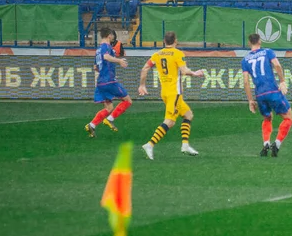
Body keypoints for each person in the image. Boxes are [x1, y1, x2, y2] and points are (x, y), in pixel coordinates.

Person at [138, 31, 205, 160]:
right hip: (174, 93)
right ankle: (150, 145)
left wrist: (142, 85)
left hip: (165, 92)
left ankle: (185, 145)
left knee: (188, 115)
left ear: (164, 41)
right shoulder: (178, 53)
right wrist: (196, 73)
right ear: (175, 40)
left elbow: (145, 68)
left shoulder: (157, 55)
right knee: (170, 121)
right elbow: (184, 71)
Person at [241, 33, 292, 157]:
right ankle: (277, 143)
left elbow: (245, 81)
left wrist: (250, 100)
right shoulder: (267, 52)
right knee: (289, 118)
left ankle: (266, 143)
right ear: (260, 41)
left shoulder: (245, 60)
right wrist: (282, 81)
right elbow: (277, 65)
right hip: (272, 91)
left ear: (249, 43)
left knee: (267, 118)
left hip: (260, 95)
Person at [85, 27, 131, 138]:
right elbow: (106, 57)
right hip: (109, 81)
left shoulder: (98, 50)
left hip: (100, 82)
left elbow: (95, 67)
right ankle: (110, 119)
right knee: (128, 101)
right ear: (109, 35)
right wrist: (119, 60)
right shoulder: (106, 46)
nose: (113, 37)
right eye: (113, 35)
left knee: (109, 108)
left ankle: (92, 125)